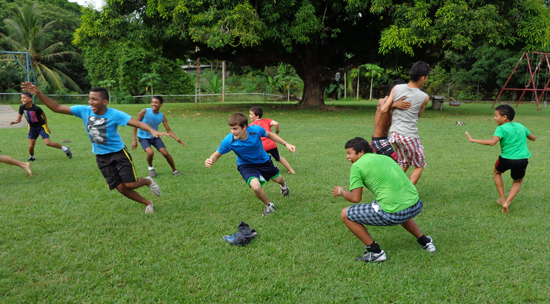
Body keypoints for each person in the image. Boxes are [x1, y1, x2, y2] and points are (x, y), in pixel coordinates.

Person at [21, 82, 168, 214]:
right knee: (121, 188)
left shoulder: (115, 114)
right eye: (90, 98)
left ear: (104, 101)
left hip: (118, 154)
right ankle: (148, 203)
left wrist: (153, 131)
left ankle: (148, 181)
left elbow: (137, 123)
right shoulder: (84, 110)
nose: (90, 102)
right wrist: (39, 93)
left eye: (94, 99)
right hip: (101, 156)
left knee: (130, 183)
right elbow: (57, 108)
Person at [332, 137, 435, 263]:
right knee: (397, 203)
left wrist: (340, 191)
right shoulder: (384, 157)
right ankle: (425, 241)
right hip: (415, 204)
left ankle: (375, 252)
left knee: (345, 214)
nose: (347, 157)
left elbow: (355, 198)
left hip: (394, 212)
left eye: (349, 153)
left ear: (361, 152)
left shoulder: (357, 166)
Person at [205, 113, 296, 216]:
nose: (232, 132)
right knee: (256, 187)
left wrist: (286, 143)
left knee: (277, 179)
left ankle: (284, 185)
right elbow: (216, 155)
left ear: (244, 127)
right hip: (246, 165)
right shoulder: (229, 140)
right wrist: (211, 160)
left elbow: (269, 134)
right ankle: (269, 205)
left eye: (235, 129)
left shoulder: (255, 130)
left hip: (263, 161)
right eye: (231, 129)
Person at [465, 104, 536, 214]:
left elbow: (492, 142)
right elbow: (533, 138)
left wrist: (474, 140)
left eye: (496, 116)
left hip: (506, 159)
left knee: (497, 172)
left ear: (504, 117)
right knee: (517, 181)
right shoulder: (520, 126)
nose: (494, 118)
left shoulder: (501, 128)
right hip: (522, 160)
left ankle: (503, 200)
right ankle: (507, 202)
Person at [381, 61, 431, 185]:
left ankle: (391, 188)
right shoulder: (424, 97)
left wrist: (394, 104)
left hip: (394, 135)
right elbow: (417, 116)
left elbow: (383, 109)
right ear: (423, 78)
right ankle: (406, 193)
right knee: (420, 164)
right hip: (409, 135)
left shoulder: (396, 88)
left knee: (404, 162)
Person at [131, 96, 185, 177]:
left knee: (165, 153)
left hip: (155, 137)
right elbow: (135, 124)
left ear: (161, 105)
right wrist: (134, 139)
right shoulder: (144, 111)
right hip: (143, 137)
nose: (153, 104)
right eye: (152, 102)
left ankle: (175, 170)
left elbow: (169, 131)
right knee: (150, 152)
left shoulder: (162, 117)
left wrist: (177, 139)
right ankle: (150, 168)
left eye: (156, 102)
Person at [9, 92, 72, 161]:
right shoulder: (22, 107)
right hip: (32, 128)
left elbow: (44, 115)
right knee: (31, 146)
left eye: (24, 98)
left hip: (41, 127)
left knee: (48, 143)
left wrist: (46, 126)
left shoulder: (36, 108)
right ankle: (32, 157)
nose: (22, 99)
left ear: (30, 99)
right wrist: (15, 122)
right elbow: (19, 119)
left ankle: (65, 149)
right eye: (21, 98)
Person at [249, 106, 296, 174]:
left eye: (251, 114)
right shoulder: (267, 120)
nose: (249, 116)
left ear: (257, 116)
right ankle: (291, 170)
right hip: (272, 144)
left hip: (262, 146)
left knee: (257, 159)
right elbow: (276, 123)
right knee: (279, 157)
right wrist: (276, 132)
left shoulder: (252, 125)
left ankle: (256, 172)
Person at [372, 79, 409, 162]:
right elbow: (383, 108)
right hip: (379, 141)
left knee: (394, 162)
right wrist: (395, 104)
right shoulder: (385, 102)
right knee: (396, 162)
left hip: (384, 139)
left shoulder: (390, 102)